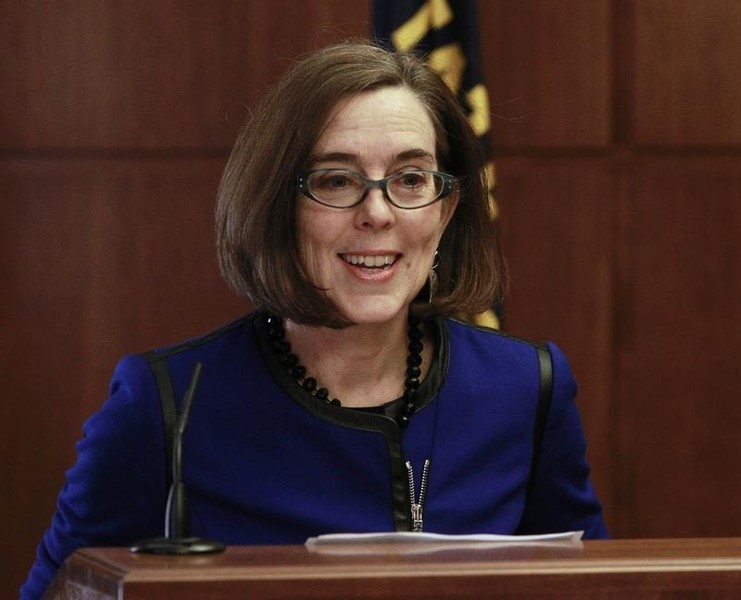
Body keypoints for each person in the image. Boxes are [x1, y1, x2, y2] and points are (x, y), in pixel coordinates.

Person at [22, 40, 608, 598]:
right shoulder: (166, 404)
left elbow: (597, 590)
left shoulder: (526, 387)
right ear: (278, 206)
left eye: (410, 179)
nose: (377, 213)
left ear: (446, 209)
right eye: (336, 180)